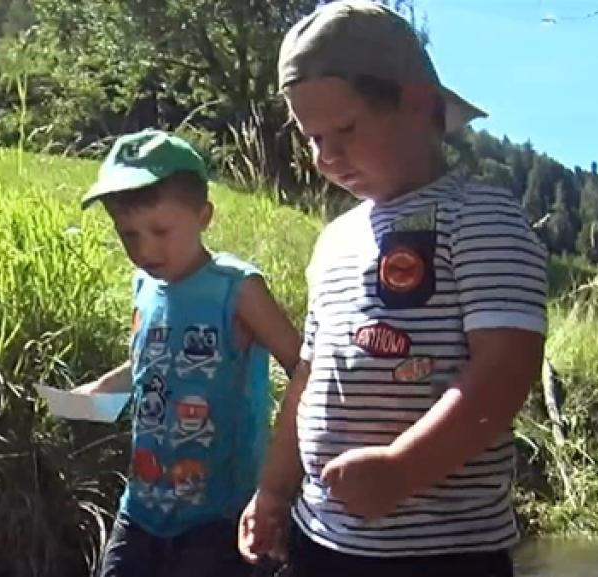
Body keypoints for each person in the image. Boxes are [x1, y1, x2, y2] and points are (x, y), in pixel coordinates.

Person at [237, 2, 547, 576]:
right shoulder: (334, 239)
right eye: (313, 137)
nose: (327, 156)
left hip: (443, 554)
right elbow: (308, 375)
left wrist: (404, 468)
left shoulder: (479, 216)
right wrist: (275, 491)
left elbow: (507, 367)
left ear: (421, 105)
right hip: (320, 538)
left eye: (346, 130)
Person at [75, 128, 302, 577]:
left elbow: (303, 368)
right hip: (141, 505)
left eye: (160, 230)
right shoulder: (144, 286)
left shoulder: (237, 289)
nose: (144, 249)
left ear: (204, 216)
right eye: (128, 234)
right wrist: (93, 395)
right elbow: (148, 362)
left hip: (217, 513)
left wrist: (283, 476)